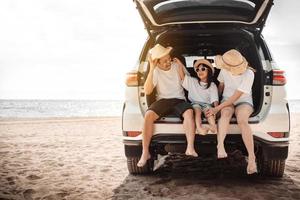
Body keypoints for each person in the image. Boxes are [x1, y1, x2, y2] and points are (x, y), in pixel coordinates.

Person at [137, 44, 198, 167]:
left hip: (179, 99)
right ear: (157, 63)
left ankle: (190, 147)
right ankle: (145, 152)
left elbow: (187, 84)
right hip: (163, 100)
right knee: (148, 115)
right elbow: (148, 90)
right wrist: (151, 69)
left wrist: (181, 66)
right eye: (164, 61)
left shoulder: (176, 66)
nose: (168, 62)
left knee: (189, 113)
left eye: (169, 59)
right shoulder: (155, 70)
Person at [206, 49, 257, 174]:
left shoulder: (249, 74)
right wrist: (215, 102)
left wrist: (217, 108)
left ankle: (251, 158)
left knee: (242, 120)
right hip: (226, 100)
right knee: (226, 113)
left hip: (243, 101)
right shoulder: (224, 69)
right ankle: (220, 145)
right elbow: (221, 86)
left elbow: (237, 96)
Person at [177, 58, 219, 135]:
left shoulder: (212, 85)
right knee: (197, 110)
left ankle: (213, 126)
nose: (200, 71)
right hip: (195, 103)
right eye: (197, 70)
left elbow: (215, 100)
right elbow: (182, 76)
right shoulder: (193, 81)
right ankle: (199, 128)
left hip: (207, 104)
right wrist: (180, 65)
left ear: (209, 71)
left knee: (209, 112)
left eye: (203, 69)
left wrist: (215, 110)